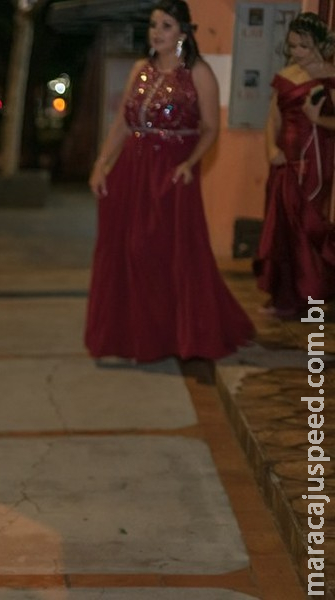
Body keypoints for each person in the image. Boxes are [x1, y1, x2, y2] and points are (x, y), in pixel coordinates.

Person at [85, 0, 255, 362]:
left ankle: (174, 336)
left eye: (165, 25)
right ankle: (134, 337)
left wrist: (190, 164)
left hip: (171, 172)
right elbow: (123, 125)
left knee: (162, 253)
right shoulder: (139, 70)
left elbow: (210, 129)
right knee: (128, 251)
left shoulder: (198, 73)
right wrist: (102, 163)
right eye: (153, 25)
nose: (156, 32)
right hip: (133, 169)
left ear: (182, 32)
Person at [254, 12, 335, 319]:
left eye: (303, 46)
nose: (296, 53)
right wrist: (270, 148)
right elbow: (271, 119)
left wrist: (318, 119)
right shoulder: (286, 75)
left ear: (318, 44)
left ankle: (313, 294)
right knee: (280, 226)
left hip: (315, 158)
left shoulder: (330, 76)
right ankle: (283, 296)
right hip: (284, 159)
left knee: (309, 225)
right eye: (292, 46)